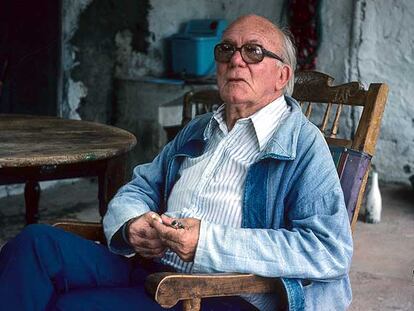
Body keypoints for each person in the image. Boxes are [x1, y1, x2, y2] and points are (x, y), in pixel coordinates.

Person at [0, 14, 353, 310]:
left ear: (282, 77)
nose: (236, 59)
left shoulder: (303, 144)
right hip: (152, 266)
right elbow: (140, 187)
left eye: (254, 51)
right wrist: (131, 223)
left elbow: (328, 250)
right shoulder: (201, 128)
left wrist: (207, 242)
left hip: (215, 294)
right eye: (226, 49)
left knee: (68, 305)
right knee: (36, 245)